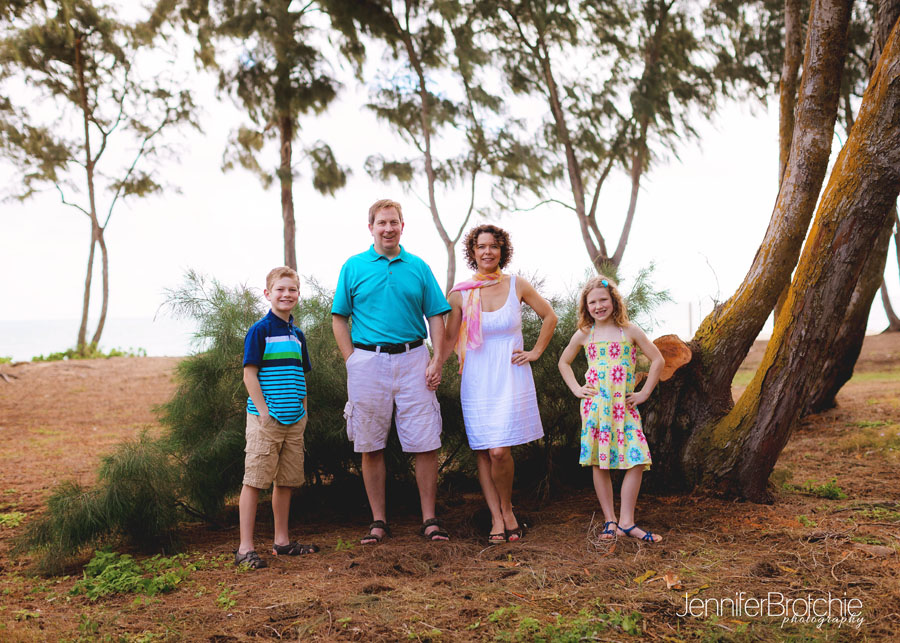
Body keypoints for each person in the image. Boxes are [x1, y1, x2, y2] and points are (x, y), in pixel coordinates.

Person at [332, 199, 452, 544]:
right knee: (371, 444)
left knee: (426, 441)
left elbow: (436, 317)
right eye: (381, 222)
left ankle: (430, 519)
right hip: (367, 362)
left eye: (394, 222)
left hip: (414, 358)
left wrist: (437, 360)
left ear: (402, 226)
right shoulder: (353, 267)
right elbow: (339, 317)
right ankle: (379, 521)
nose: (388, 228)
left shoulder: (418, 267)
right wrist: (351, 359)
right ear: (370, 227)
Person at [442, 224, 557, 544]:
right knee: (484, 449)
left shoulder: (517, 284)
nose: (487, 252)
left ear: (502, 250)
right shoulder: (460, 293)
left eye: (493, 246)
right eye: (481, 247)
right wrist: (434, 365)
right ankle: (496, 517)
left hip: (510, 374)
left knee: (499, 450)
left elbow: (550, 316)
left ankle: (508, 509)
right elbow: (450, 337)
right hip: (477, 377)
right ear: (473, 252)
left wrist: (535, 352)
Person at [558, 275, 664, 543]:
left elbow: (657, 359)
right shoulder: (585, 334)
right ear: (586, 307)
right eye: (592, 302)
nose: (598, 306)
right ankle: (610, 521)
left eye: (603, 300)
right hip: (596, 409)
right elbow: (564, 363)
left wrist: (644, 392)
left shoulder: (629, 331)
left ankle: (627, 521)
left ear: (614, 301)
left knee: (637, 458)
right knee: (600, 462)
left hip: (624, 408)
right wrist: (575, 389)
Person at [235, 266, 320, 570]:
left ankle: (281, 542)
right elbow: (249, 374)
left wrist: (304, 412)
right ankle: (245, 548)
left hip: (295, 420)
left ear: (298, 294)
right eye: (280, 290)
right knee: (255, 480)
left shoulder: (297, 335)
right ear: (268, 293)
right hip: (265, 420)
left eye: (292, 290)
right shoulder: (261, 330)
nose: (286, 295)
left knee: (286, 481)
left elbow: (300, 376)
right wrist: (265, 411)